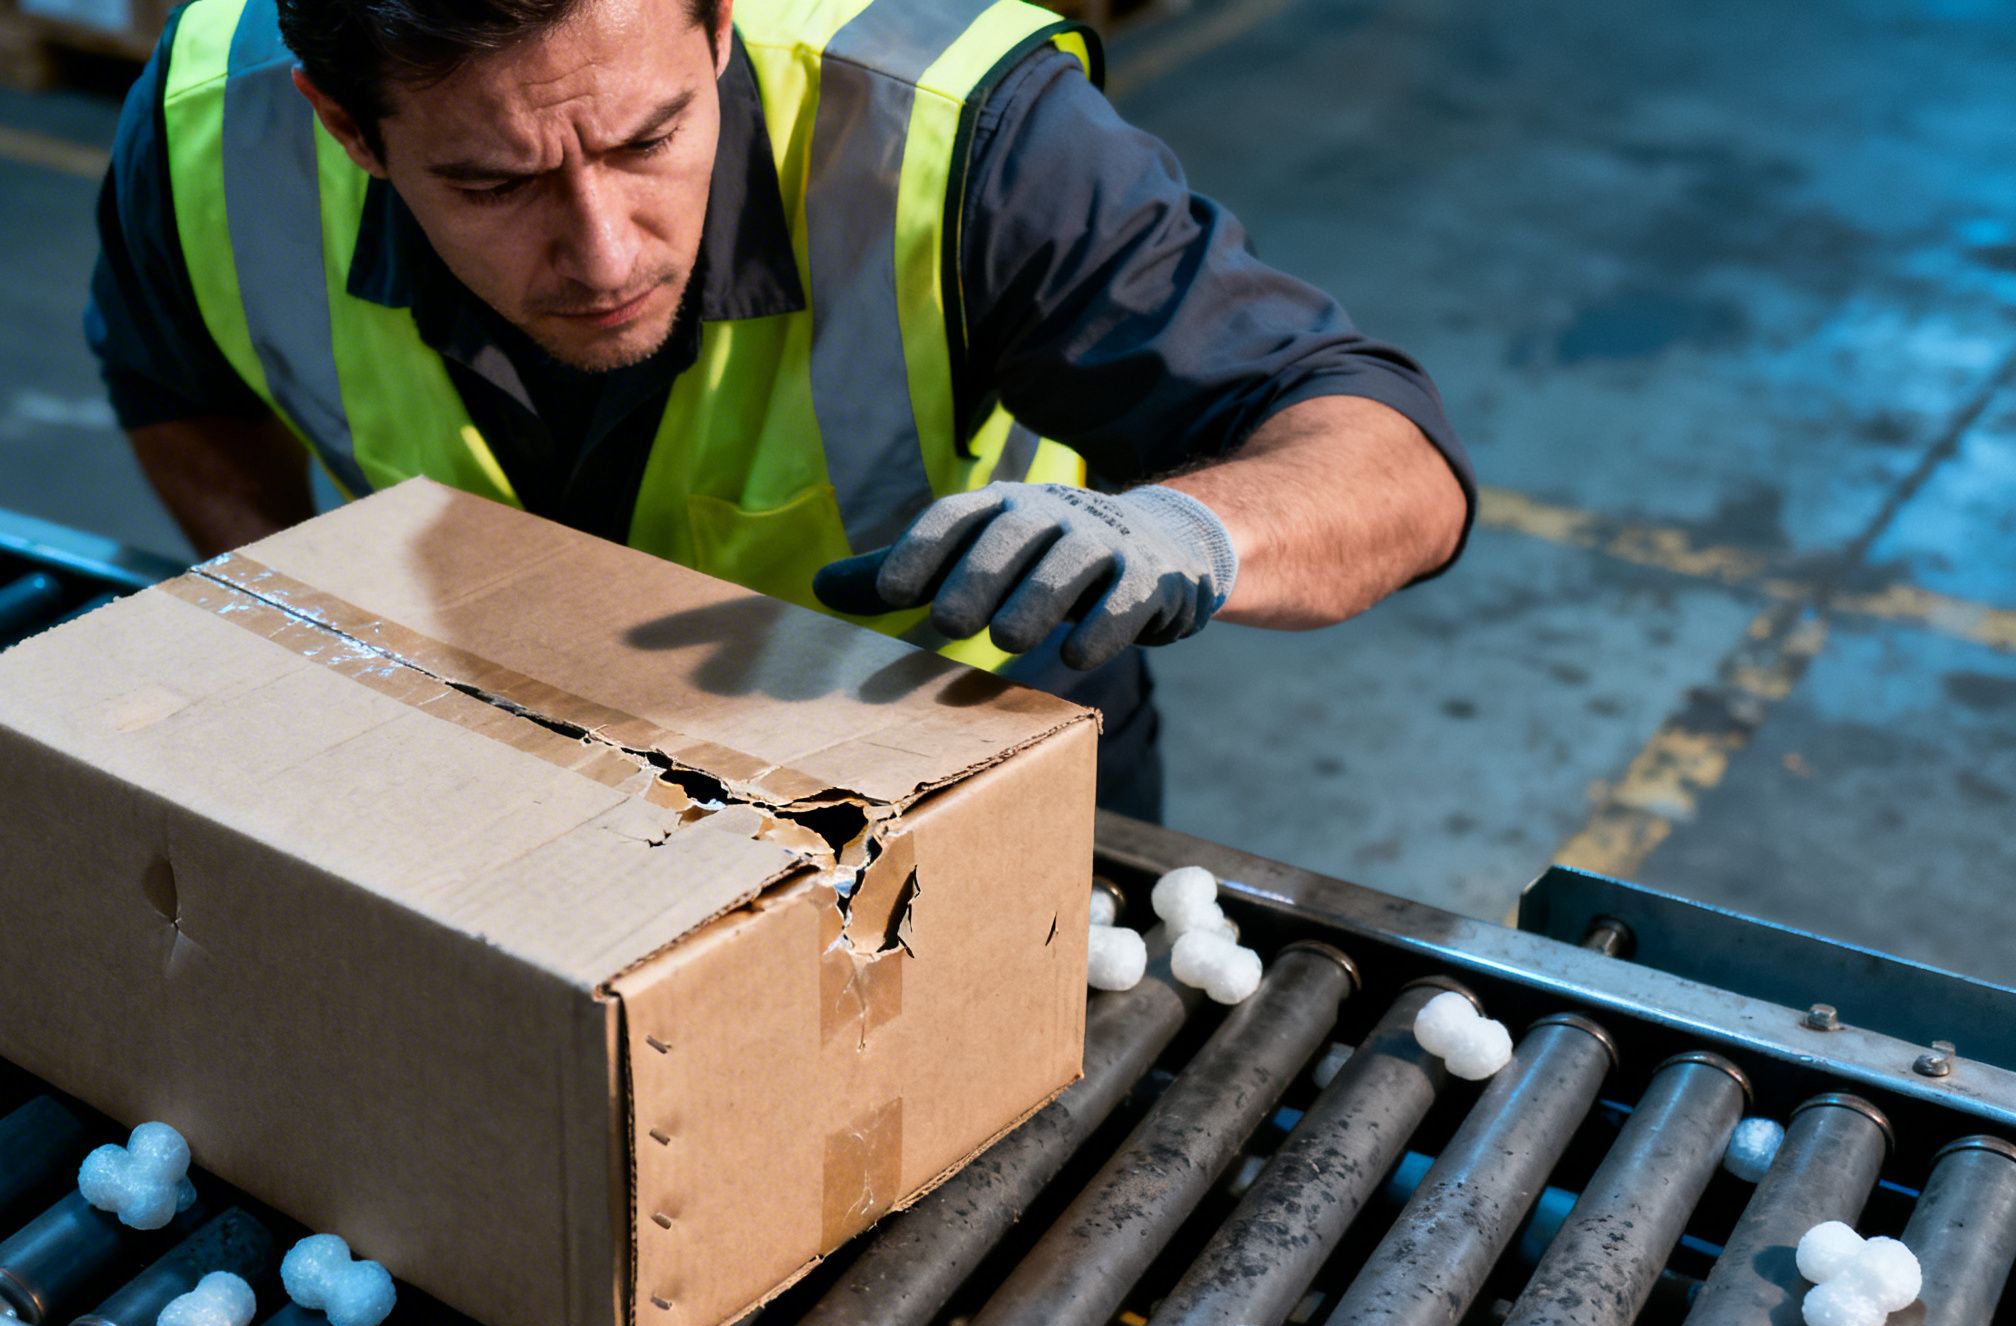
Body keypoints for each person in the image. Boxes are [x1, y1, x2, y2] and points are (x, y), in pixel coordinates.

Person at [85, 0, 1475, 820]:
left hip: (953, 765)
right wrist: (306, 621)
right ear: (348, 128)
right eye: (495, 184)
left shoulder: (967, 138)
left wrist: (1190, 529)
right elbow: (174, 384)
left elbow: (1383, 455)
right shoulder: (223, 128)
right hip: (525, 764)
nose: (605, 253)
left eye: (649, 140)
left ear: (720, 22)